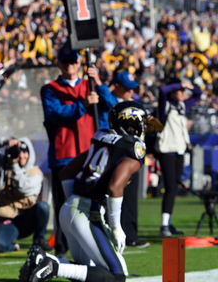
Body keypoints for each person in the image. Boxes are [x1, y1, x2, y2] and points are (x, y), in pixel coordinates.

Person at [21, 101, 148, 282]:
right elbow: (114, 187)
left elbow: (67, 172)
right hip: (86, 213)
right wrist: (116, 227)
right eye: (141, 123)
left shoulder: (102, 139)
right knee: (118, 276)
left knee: (87, 270)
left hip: (71, 209)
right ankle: (53, 266)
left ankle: (42, 260)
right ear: (131, 125)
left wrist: (72, 201)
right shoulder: (132, 148)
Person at [40, 45, 114, 259]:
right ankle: (62, 250)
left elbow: (111, 107)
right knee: (65, 207)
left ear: (80, 63)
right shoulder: (50, 89)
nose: (69, 66)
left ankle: (95, 247)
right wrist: (83, 104)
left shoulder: (90, 85)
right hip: (64, 156)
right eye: (65, 62)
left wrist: (99, 84)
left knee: (93, 205)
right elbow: (55, 114)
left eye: (73, 61)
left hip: (91, 156)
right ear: (59, 64)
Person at [0, 137, 52, 253]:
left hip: (28, 220)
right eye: (19, 152)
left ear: (30, 153)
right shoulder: (3, 166)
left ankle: (39, 240)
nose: (21, 156)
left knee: (43, 207)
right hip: (9, 219)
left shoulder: (36, 173)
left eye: (25, 152)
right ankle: (13, 246)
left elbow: (22, 189)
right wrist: (4, 141)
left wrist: (14, 166)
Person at [107, 71, 149, 248]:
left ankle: (130, 233)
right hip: (116, 155)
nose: (131, 92)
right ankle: (114, 231)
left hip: (132, 153)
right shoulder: (107, 101)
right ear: (116, 86)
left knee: (131, 197)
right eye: (127, 89)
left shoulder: (133, 104)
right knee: (114, 193)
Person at [157, 78, 200, 237]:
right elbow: (162, 91)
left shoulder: (182, 105)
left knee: (173, 188)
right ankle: (163, 225)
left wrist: (189, 86)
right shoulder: (165, 105)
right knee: (169, 187)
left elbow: (197, 94)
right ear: (173, 91)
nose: (183, 93)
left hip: (180, 151)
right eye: (180, 91)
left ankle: (168, 222)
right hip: (167, 150)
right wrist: (180, 84)